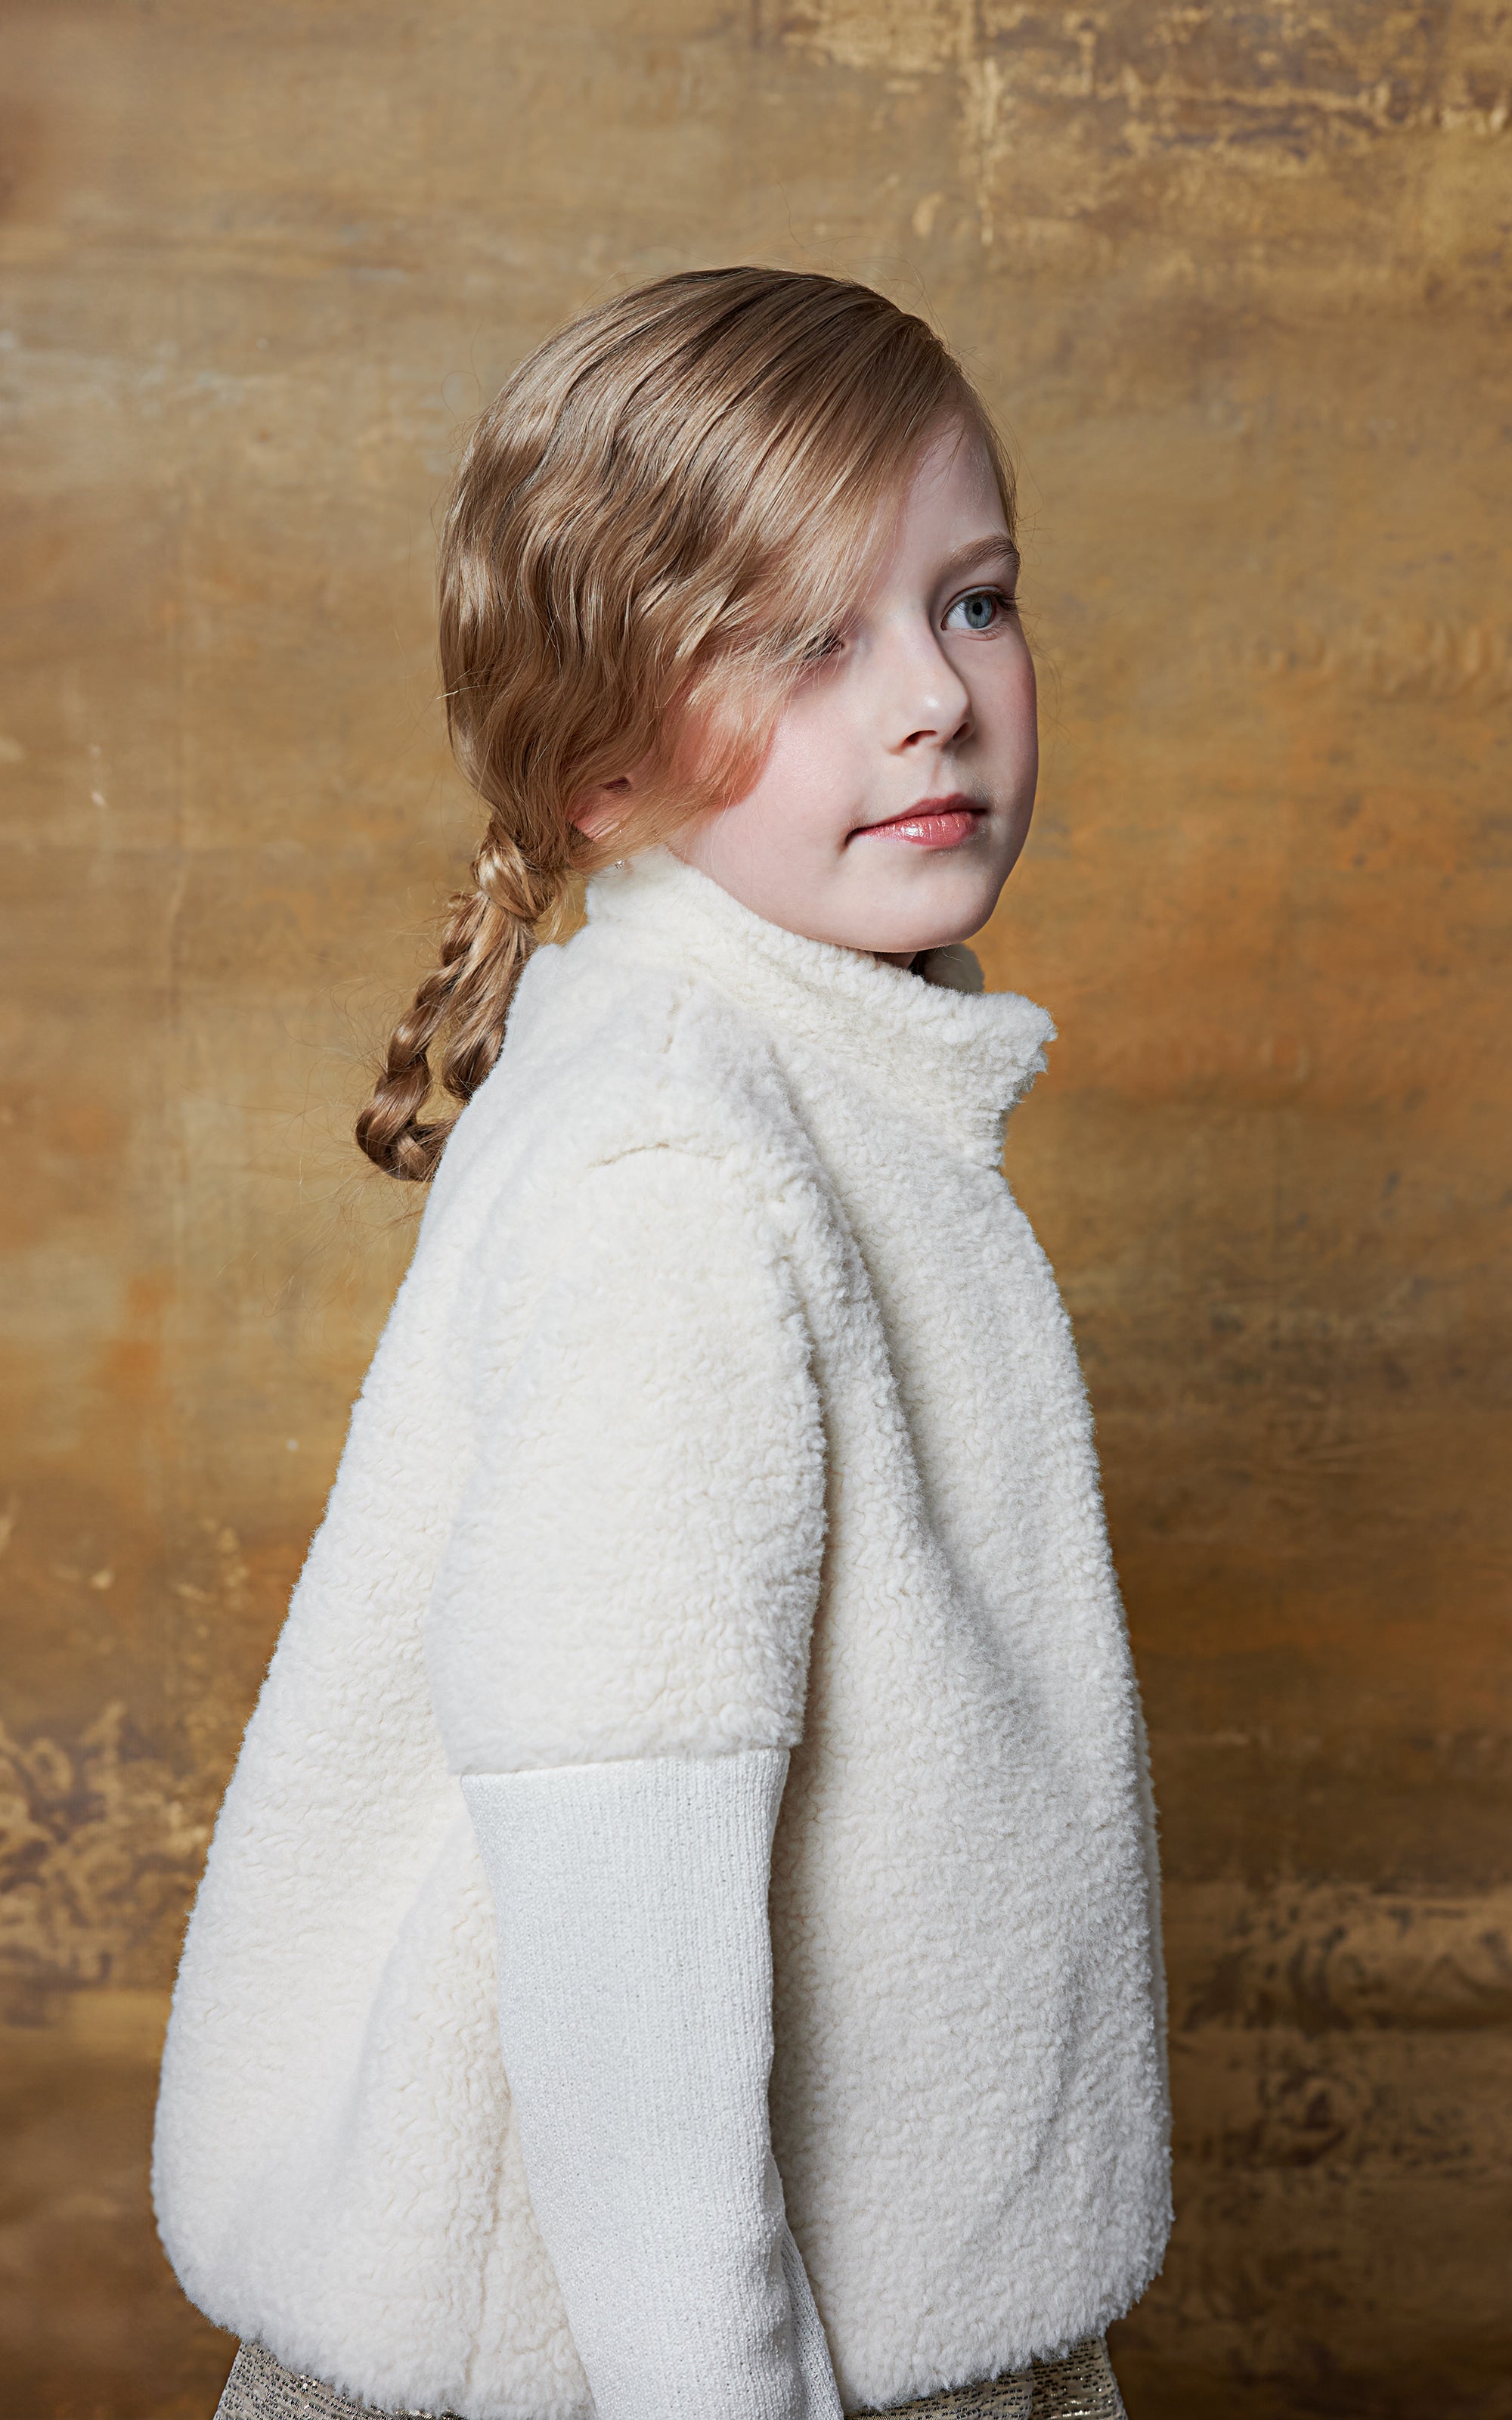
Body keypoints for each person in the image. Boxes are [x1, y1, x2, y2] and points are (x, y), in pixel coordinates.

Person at [153, 266, 1172, 2420]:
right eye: (804, 639)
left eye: (973, 602)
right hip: (652, 2365)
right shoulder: (681, 1168)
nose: (935, 697)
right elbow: (621, 1887)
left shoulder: (810, 1090)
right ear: (605, 762)